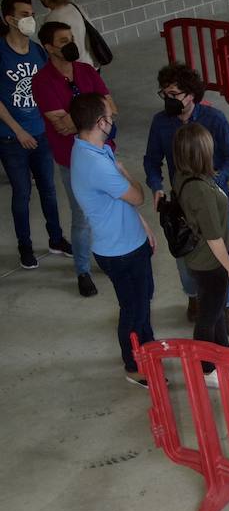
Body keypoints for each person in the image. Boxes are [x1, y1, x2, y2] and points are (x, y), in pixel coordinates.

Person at [144, 63, 229, 333]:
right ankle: (194, 297)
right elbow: (152, 160)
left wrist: (213, 183)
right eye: (164, 94)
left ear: (190, 95)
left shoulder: (215, 119)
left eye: (174, 94)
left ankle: (226, 305)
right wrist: (156, 186)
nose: (168, 100)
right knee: (185, 256)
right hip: (182, 203)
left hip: (215, 199)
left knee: (220, 252)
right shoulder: (160, 123)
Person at [69, 94, 157, 388]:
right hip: (122, 252)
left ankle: (149, 350)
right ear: (100, 122)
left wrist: (142, 225)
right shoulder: (97, 164)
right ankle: (134, 366)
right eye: (111, 116)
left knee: (141, 302)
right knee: (133, 310)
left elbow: (124, 204)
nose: (113, 120)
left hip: (129, 241)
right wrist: (125, 173)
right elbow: (138, 196)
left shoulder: (91, 148)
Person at [33, 20, 118, 297]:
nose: (71, 44)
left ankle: (106, 257)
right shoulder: (43, 81)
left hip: (105, 151)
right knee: (81, 217)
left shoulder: (85, 70)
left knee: (109, 209)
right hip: (72, 160)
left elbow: (111, 106)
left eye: (71, 38)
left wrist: (79, 117)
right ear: (48, 48)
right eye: (62, 41)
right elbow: (60, 125)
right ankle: (82, 270)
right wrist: (96, 112)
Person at [0, 0, 69, 270]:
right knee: (22, 192)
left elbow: (49, 87)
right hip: (11, 137)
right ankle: (25, 246)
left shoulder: (39, 51)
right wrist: (18, 131)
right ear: (9, 19)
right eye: (25, 14)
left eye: (32, 13)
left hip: (41, 133)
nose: (30, 19)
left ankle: (56, 238)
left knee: (49, 189)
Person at [172, 123, 229, 389]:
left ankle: (221, 351)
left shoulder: (185, 176)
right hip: (210, 262)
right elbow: (213, 235)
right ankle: (206, 369)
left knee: (216, 309)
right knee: (209, 316)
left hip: (202, 260)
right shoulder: (199, 189)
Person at [33, 0, 96, 65]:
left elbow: (52, 48)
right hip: (91, 61)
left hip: (75, 66)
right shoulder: (75, 7)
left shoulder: (51, 19)